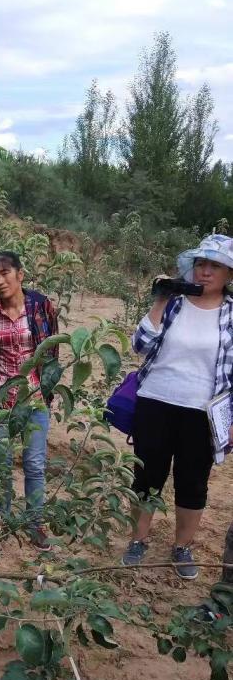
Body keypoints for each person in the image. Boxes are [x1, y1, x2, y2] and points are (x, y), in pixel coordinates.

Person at [122, 233, 233, 579]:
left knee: (192, 481)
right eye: (201, 263)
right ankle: (138, 539)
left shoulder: (231, 315)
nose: (205, 271)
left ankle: (182, 546)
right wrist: (159, 301)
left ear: (229, 274)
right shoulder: (173, 304)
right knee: (147, 475)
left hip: (202, 412)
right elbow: (139, 345)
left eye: (215, 265)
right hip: (156, 401)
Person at [0, 250, 59, 550]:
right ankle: (1, 522)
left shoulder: (41, 305)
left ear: (20, 274)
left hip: (35, 398)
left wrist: (48, 388)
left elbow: (53, 350)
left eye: (5, 273)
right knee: (0, 464)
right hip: (2, 399)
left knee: (34, 463)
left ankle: (35, 523)